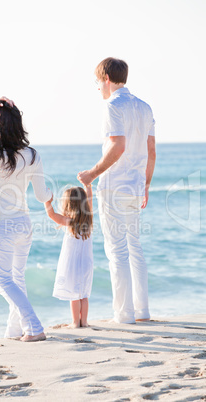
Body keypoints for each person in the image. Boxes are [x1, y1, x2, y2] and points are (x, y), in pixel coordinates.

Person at [78, 57, 156, 324]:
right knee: (134, 246)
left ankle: (124, 315)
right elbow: (151, 152)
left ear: (106, 80)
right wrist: (145, 185)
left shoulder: (113, 105)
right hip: (135, 186)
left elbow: (118, 146)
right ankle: (142, 311)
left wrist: (91, 173)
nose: (98, 87)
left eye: (98, 82)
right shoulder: (144, 107)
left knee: (117, 250)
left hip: (114, 186)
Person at [0, 96, 52, 341]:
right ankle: (15, 330)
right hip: (23, 225)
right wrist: (51, 196)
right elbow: (40, 195)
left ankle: (34, 327)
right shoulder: (32, 155)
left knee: (1, 280)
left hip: (1, 226)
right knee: (16, 278)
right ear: (18, 124)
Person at [45, 185, 93, 328]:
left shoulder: (70, 222)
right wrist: (88, 186)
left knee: (74, 294)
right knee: (84, 294)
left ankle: (75, 322)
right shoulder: (89, 220)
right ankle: (84, 322)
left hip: (73, 263)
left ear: (68, 205)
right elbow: (89, 200)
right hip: (87, 263)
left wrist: (47, 201)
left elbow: (52, 215)